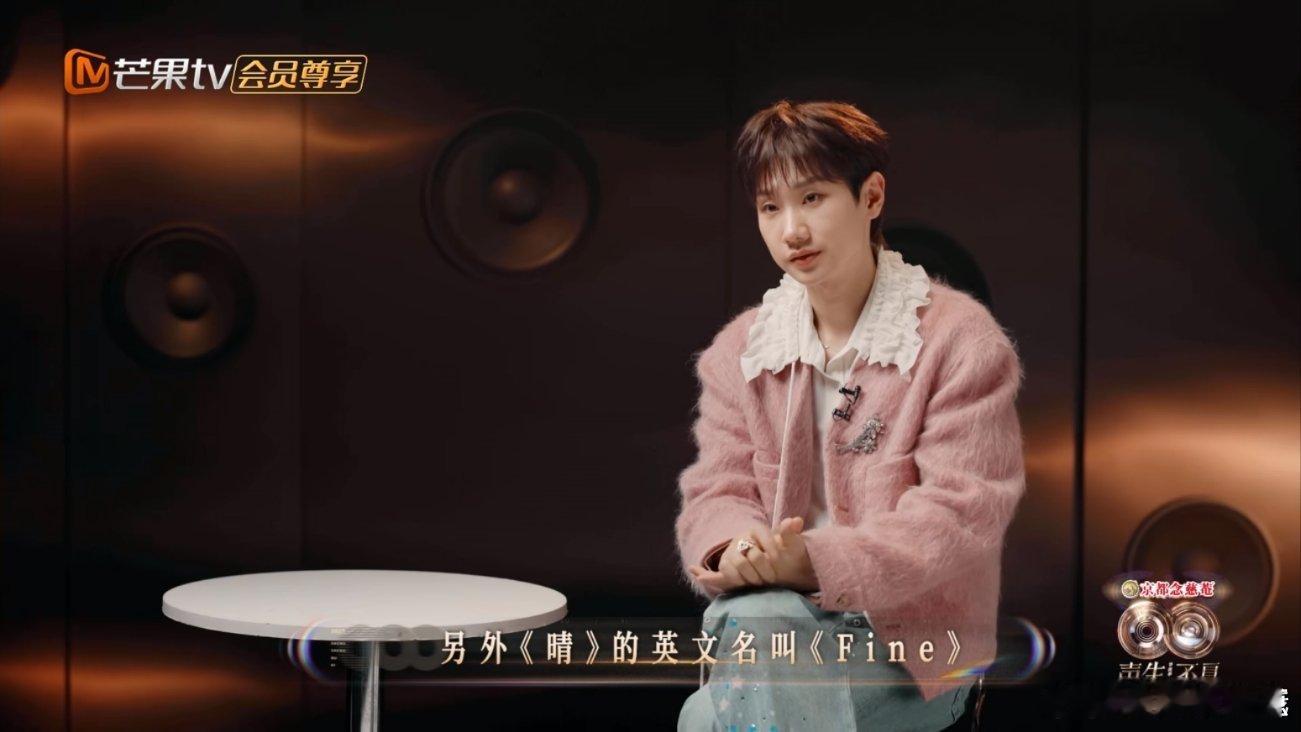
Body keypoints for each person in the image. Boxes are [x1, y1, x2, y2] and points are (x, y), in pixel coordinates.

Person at [674, 100, 1027, 731]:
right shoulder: (742, 350)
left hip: (912, 656)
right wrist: (737, 549)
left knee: (704, 720)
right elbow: (715, 490)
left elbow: (962, 514)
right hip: (776, 627)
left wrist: (815, 561)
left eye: (812, 198)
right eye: (770, 207)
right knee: (763, 615)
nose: (792, 231)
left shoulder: (959, 339)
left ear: (871, 197)